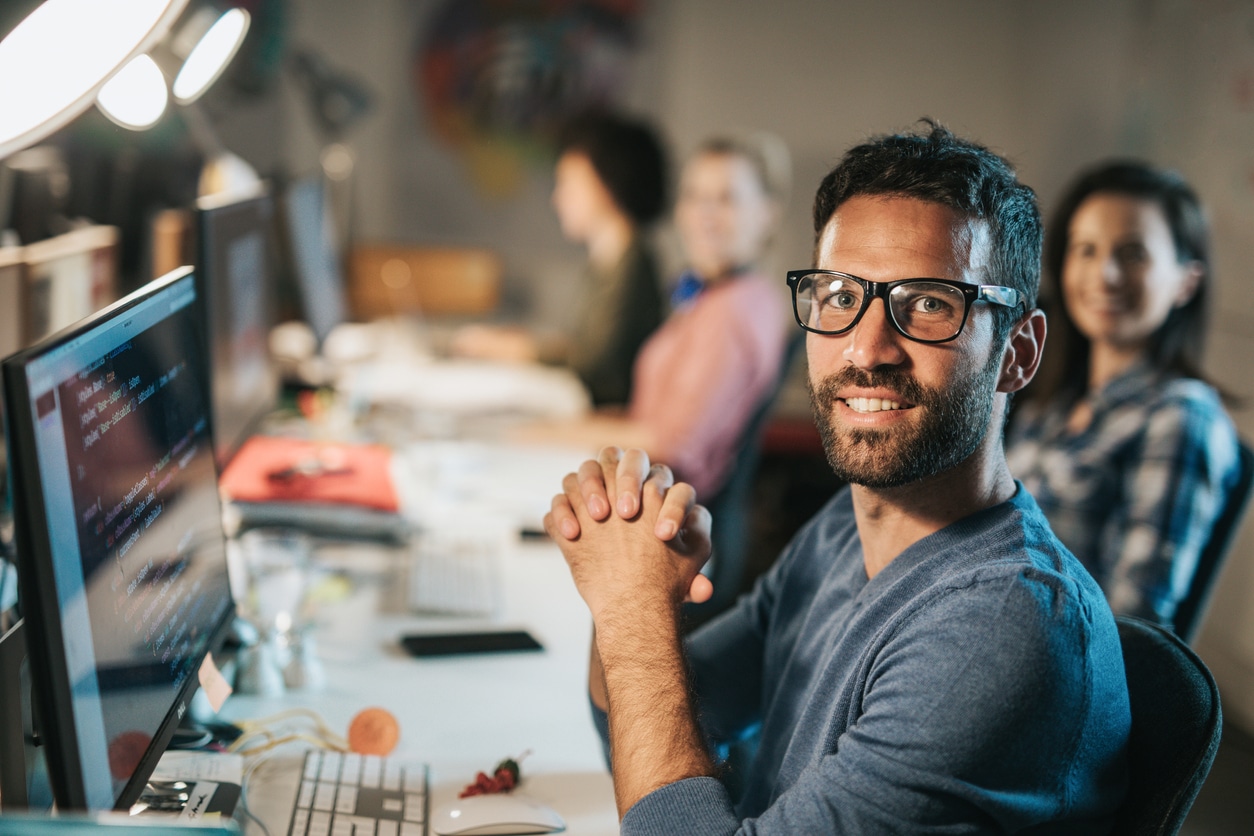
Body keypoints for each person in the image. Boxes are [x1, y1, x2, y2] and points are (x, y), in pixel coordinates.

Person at [543, 123, 1130, 833]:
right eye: (841, 296)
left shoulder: (1003, 627)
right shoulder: (845, 529)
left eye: (930, 304)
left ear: (1018, 352)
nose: (868, 348)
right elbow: (634, 728)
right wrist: (628, 566)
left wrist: (633, 612)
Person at [1006, 161, 1241, 629]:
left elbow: (1135, 626)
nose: (1105, 275)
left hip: (1061, 674)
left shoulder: (1181, 416)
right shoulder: (1054, 398)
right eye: (1086, 250)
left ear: (1186, 281)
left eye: (1133, 253)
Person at [518, 136, 789, 499]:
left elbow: (671, 444)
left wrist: (545, 433)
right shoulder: (724, 294)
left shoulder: (734, 311)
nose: (703, 214)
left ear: (767, 214)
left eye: (725, 199)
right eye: (693, 196)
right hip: (642, 493)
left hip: (664, 516)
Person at [452, 111, 667, 406]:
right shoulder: (609, 262)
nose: (558, 198)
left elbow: (597, 367)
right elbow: (583, 347)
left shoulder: (632, 268)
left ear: (606, 184)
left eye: (569, 183)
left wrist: (516, 349)